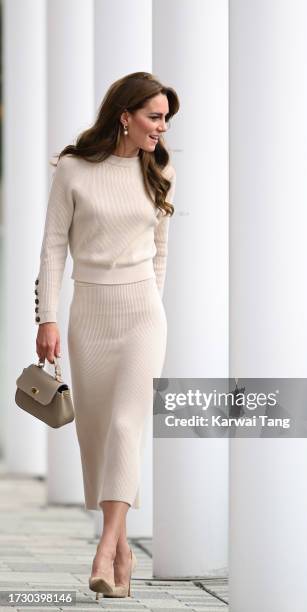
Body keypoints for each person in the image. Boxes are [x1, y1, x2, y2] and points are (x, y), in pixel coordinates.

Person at [34, 71, 179, 599]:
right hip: (88, 314)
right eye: (154, 116)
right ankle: (121, 555)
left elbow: (161, 250)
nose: (162, 128)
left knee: (123, 427)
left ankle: (105, 545)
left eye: (165, 118)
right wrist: (47, 316)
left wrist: (151, 302)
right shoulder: (73, 170)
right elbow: (52, 247)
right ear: (126, 115)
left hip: (142, 313)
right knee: (94, 436)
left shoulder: (159, 172)